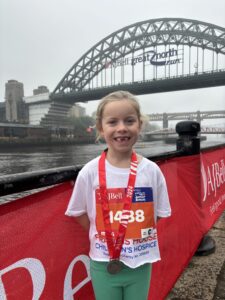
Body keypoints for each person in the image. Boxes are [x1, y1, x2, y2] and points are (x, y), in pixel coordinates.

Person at [65, 90, 171, 300]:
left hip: (140, 263)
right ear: (101, 129)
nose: (122, 128)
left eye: (129, 121)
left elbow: (156, 214)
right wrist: (104, 232)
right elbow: (78, 212)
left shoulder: (151, 171)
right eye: (113, 122)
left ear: (139, 125)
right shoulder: (90, 172)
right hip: (104, 264)